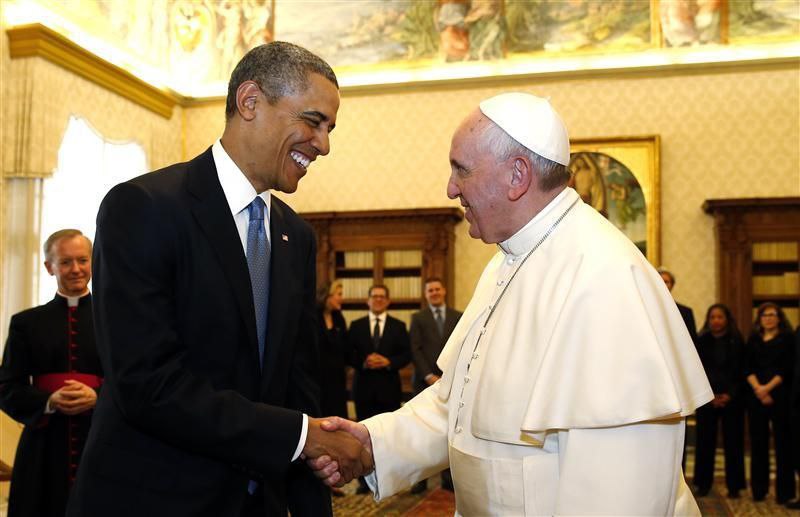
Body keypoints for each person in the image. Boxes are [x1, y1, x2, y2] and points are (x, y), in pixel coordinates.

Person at [310, 92, 712, 515]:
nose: (450, 188)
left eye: (461, 170)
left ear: (517, 175)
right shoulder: (508, 260)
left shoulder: (604, 277)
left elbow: (617, 494)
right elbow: (458, 404)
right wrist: (372, 444)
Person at [66, 42, 370, 517]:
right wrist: (299, 436)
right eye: (313, 122)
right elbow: (147, 385)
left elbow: (298, 388)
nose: (324, 144)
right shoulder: (144, 207)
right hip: (153, 501)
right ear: (250, 101)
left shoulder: (296, 236)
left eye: (329, 129)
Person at [0, 229, 102, 517]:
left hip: (100, 438)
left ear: (93, 262)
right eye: (66, 262)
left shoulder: (115, 320)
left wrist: (98, 397)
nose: (76, 269)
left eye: (82, 260)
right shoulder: (26, 323)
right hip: (44, 446)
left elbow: (133, 381)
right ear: (49, 267)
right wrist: (48, 401)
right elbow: (7, 387)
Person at [347, 284, 410, 494]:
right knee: (360, 436)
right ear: (368, 300)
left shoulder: (398, 326)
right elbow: (347, 354)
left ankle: (387, 479)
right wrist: (364, 362)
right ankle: (364, 482)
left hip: (389, 388)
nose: (378, 299)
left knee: (387, 436)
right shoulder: (356, 325)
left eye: (382, 296)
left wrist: (388, 361)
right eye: (374, 296)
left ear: (388, 301)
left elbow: (406, 354)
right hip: (363, 388)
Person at [408, 277, 461, 494]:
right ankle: (421, 480)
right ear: (426, 294)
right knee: (421, 432)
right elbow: (415, 348)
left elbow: (462, 346)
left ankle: (448, 479)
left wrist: (449, 375)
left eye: (437, 289)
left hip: (452, 382)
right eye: (430, 290)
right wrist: (429, 375)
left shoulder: (458, 316)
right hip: (424, 383)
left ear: (444, 291)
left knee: (449, 431)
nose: (435, 293)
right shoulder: (418, 318)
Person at [744, 302, 796, 504]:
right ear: (759, 319)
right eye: (764, 315)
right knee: (758, 444)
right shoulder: (753, 339)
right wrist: (759, 389)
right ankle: (759, 490)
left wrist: (767, 389)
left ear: (779, 318)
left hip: (780, 396)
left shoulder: (788, 339)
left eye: (772, 314)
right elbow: (747, 367)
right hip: (756, 397)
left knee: (783, 445)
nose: (768, 318)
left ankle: (785, 493)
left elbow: (787, 368)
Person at [692, 303, 746, 499]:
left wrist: (729, 394)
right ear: (708, 320)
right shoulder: (701, 340)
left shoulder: (737, 341)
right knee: (704, 443)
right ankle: (702, 484)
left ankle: (734, 487)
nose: (716, 321)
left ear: (727, 319)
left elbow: (741, 370)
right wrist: (710, 395)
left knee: (733, 442)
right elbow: (697, 370)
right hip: (707, 399)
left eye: (719, 317)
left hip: (732, 399)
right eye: (712, 317)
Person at [316, 280, 349, 419]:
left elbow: (345, 346)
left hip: (337, 378)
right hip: (317, 378)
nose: (342, 298)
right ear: (327, 296)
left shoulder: (339, 318)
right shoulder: (313, 316)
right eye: (339, 294)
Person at [658, 268, 698, 343]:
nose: (662, 284)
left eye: (666, 282)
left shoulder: (686, 312)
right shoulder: (645, 308)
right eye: (659, 280)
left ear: (672, 285)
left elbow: (692, 341)